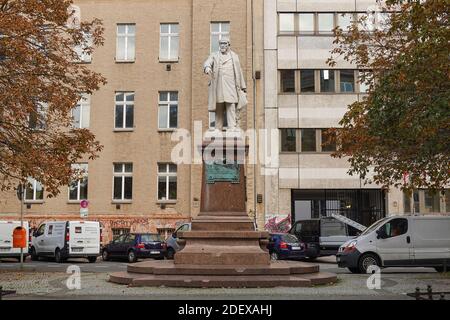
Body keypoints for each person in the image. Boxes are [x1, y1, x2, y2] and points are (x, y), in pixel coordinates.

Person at [203, 39, 247, 131]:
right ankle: (218, 128)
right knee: (219, 106)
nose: (222, 46)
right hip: (218, 84)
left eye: (224, 44)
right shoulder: (214, 55)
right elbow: (207, 62)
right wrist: (207, 67)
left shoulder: (234, 56)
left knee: (230, 105)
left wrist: (243, 87)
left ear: (228, 45)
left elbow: (239, 72)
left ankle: (232, 127)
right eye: (221, 44)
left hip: (231, 85)